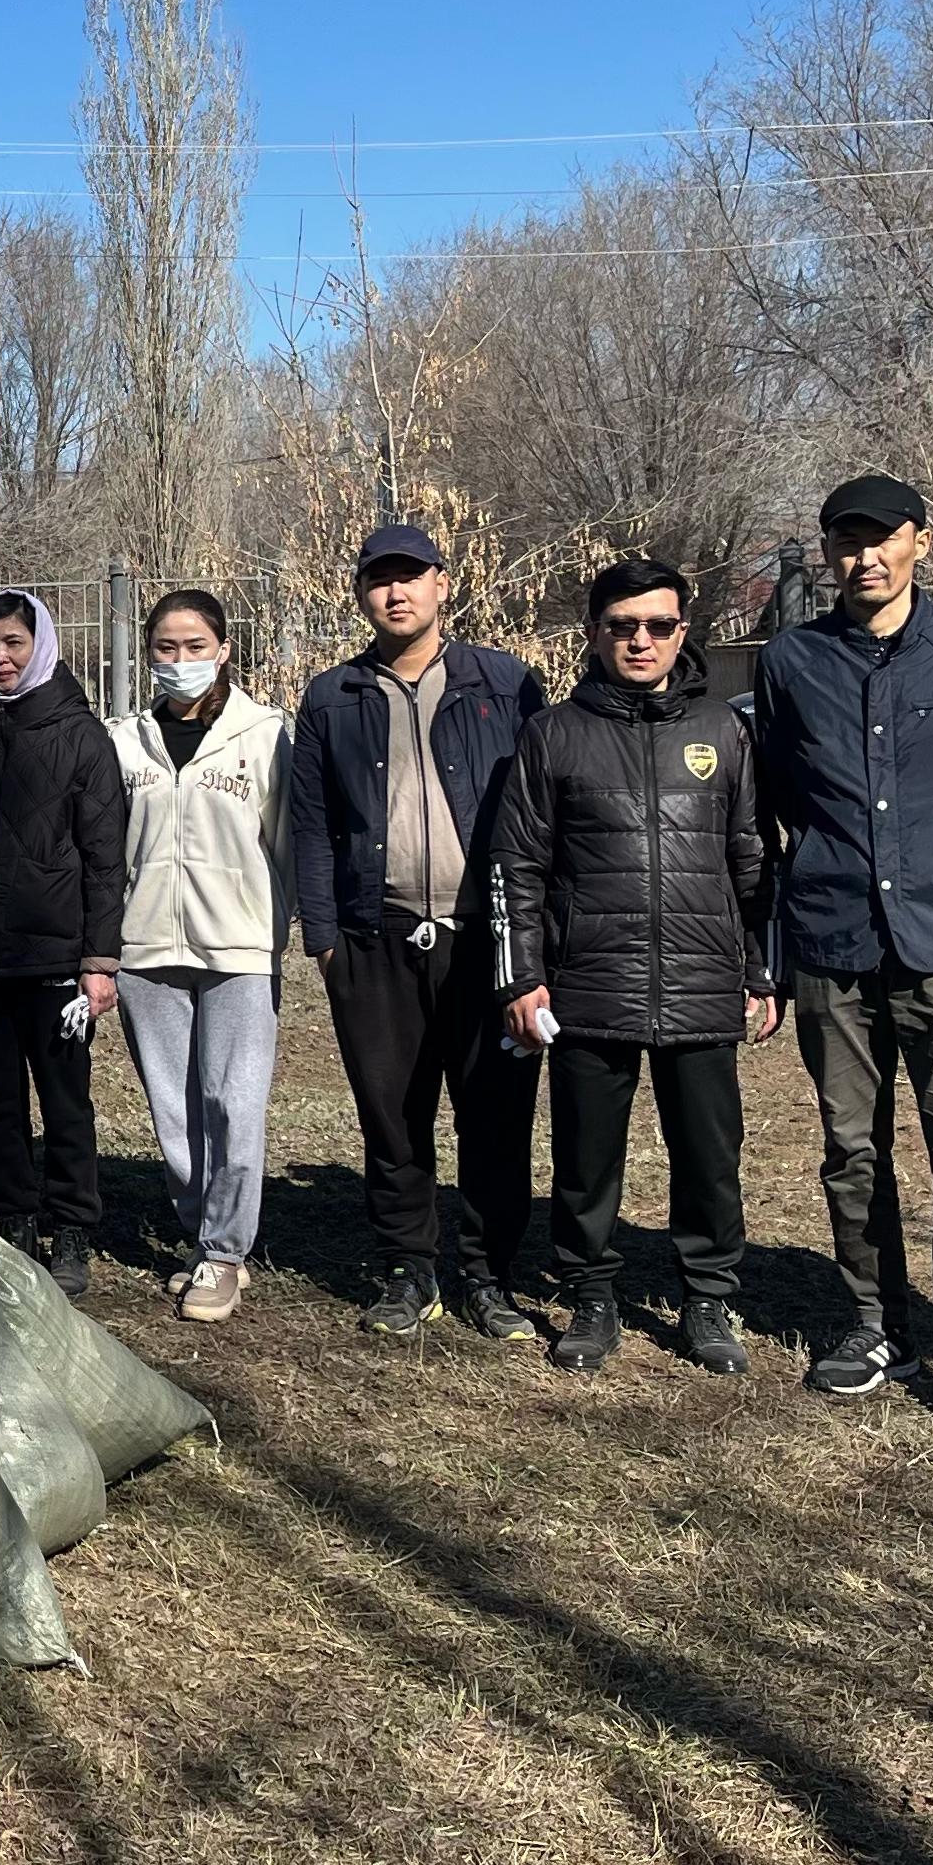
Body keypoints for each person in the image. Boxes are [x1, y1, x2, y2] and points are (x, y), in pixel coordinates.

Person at [753, 474, 933, 1430]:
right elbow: (778, 792)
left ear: (921, 541)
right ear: (829, 551)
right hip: (834, 940)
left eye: (883, 539)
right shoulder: (793, 660)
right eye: (846, 541)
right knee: (850, 1147)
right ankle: (876, 1321)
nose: (865, 557)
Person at [492, 559, 775, 1376]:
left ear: (683, 631)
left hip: (701, 982)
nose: (640, 641)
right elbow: (518, 863)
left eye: (658, 625)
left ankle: (709, 1296)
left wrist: (761, 972)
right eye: (622, 626)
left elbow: (753, 858)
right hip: (589, 984)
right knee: (585, 1158)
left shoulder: (723, 729)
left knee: (710, 1157)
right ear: (595, 634)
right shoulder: (553, 733)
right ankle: (590, 1292)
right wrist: (521, 975)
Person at [288, 521, 550, 1341]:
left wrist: (535, 944)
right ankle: (409, 1267)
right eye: (378, 580)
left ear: (443, 583)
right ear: (362, 594)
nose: (394, 593)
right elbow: (309, 823)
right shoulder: (334, 696)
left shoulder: (506, 684)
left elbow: (543, 819)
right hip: (375, 939)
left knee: (495, 1113)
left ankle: (487, 1274)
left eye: (410, 577)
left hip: (487, 941)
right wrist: (326, 939)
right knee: (392, 1114)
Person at [110, 591, 294, 1320]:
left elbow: (284, 838)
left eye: (195, 647)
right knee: (174, 1108)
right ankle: (202, 1232)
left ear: (223, 648)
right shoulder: (125, 741)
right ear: (148, 654)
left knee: (232, 1101)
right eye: (165, 648)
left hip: (239, 947)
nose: (180, 661)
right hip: (146, 944)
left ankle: (225, 1253)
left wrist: (275, 929)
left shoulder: (266, 735)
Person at [0, 590, 130, 1294]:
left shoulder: (80, 736)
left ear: (40, 644)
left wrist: (99, 960)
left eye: (14, 643)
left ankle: (72, 1225)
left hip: (54, 956)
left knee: (63, 1100)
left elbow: (105, 856)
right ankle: (13, 1216)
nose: (2, 658)